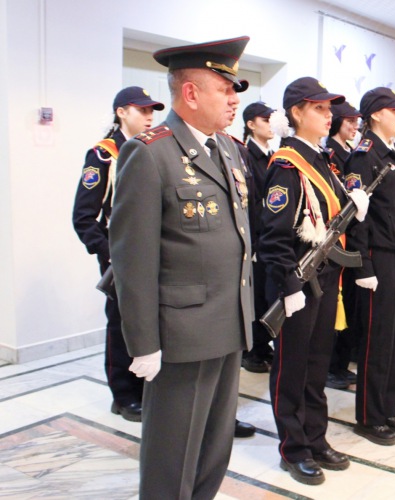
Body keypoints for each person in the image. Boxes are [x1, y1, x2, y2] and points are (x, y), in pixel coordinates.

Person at [109, 36, 254, 499]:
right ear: (190, 93)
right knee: (172, 458)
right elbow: (132, 259)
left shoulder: (227, 148)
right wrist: (143, 343)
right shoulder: (150, 153)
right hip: (181, 336)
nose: (234, 100)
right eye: (224, 89)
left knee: (213, 449)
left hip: (228, 323)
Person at [259, 77, 369, 485]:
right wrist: (288, 290)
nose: (329, 115)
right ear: (296, 112)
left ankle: (316, 437)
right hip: (297, 283)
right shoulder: (287, 165)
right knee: (292, 367)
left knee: (318, 364)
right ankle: (293, 448)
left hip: (324, 280)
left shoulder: (322, 160)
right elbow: (273, 237)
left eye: (328, 109)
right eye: (319, 108)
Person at [73, 86, 164, 422]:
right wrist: (110, 254)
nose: (149, 116)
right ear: (122, 112)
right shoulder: (103, 156)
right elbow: (83, 217)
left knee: (147, 321)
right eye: (142, 110)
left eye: (152, 111)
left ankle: (145, 387)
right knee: (121, 323)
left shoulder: (148, 150)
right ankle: (123, 395)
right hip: (119, 256)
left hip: (150, 252)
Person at [345, 87, 395, 446]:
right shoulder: (364, 156)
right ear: (376, 114)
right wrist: (364, 266)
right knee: (377, 340)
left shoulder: (394, 154)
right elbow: (358, 217)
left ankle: (388, 407)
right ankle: (370, 416)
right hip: (380, 258)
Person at [325, 100, 363, 390]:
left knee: (347, 305)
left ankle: (341, 362)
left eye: (355, 121)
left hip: (350, 238)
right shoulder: (330, 153)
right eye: (349, 121)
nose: (354, 126)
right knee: (336, 307)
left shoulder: (349, 152)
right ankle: (332, 366)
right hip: (336, 239)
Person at [240, 101, 275, 374]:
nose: (271, 124)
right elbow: (249, 202)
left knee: (266, 295)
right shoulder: (245, 155)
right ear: (251, 124)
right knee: (254, 297)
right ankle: (251, 351)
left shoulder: (273, 155)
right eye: (265, 119)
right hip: (255, 238)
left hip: (270, 237)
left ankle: (263, 346)